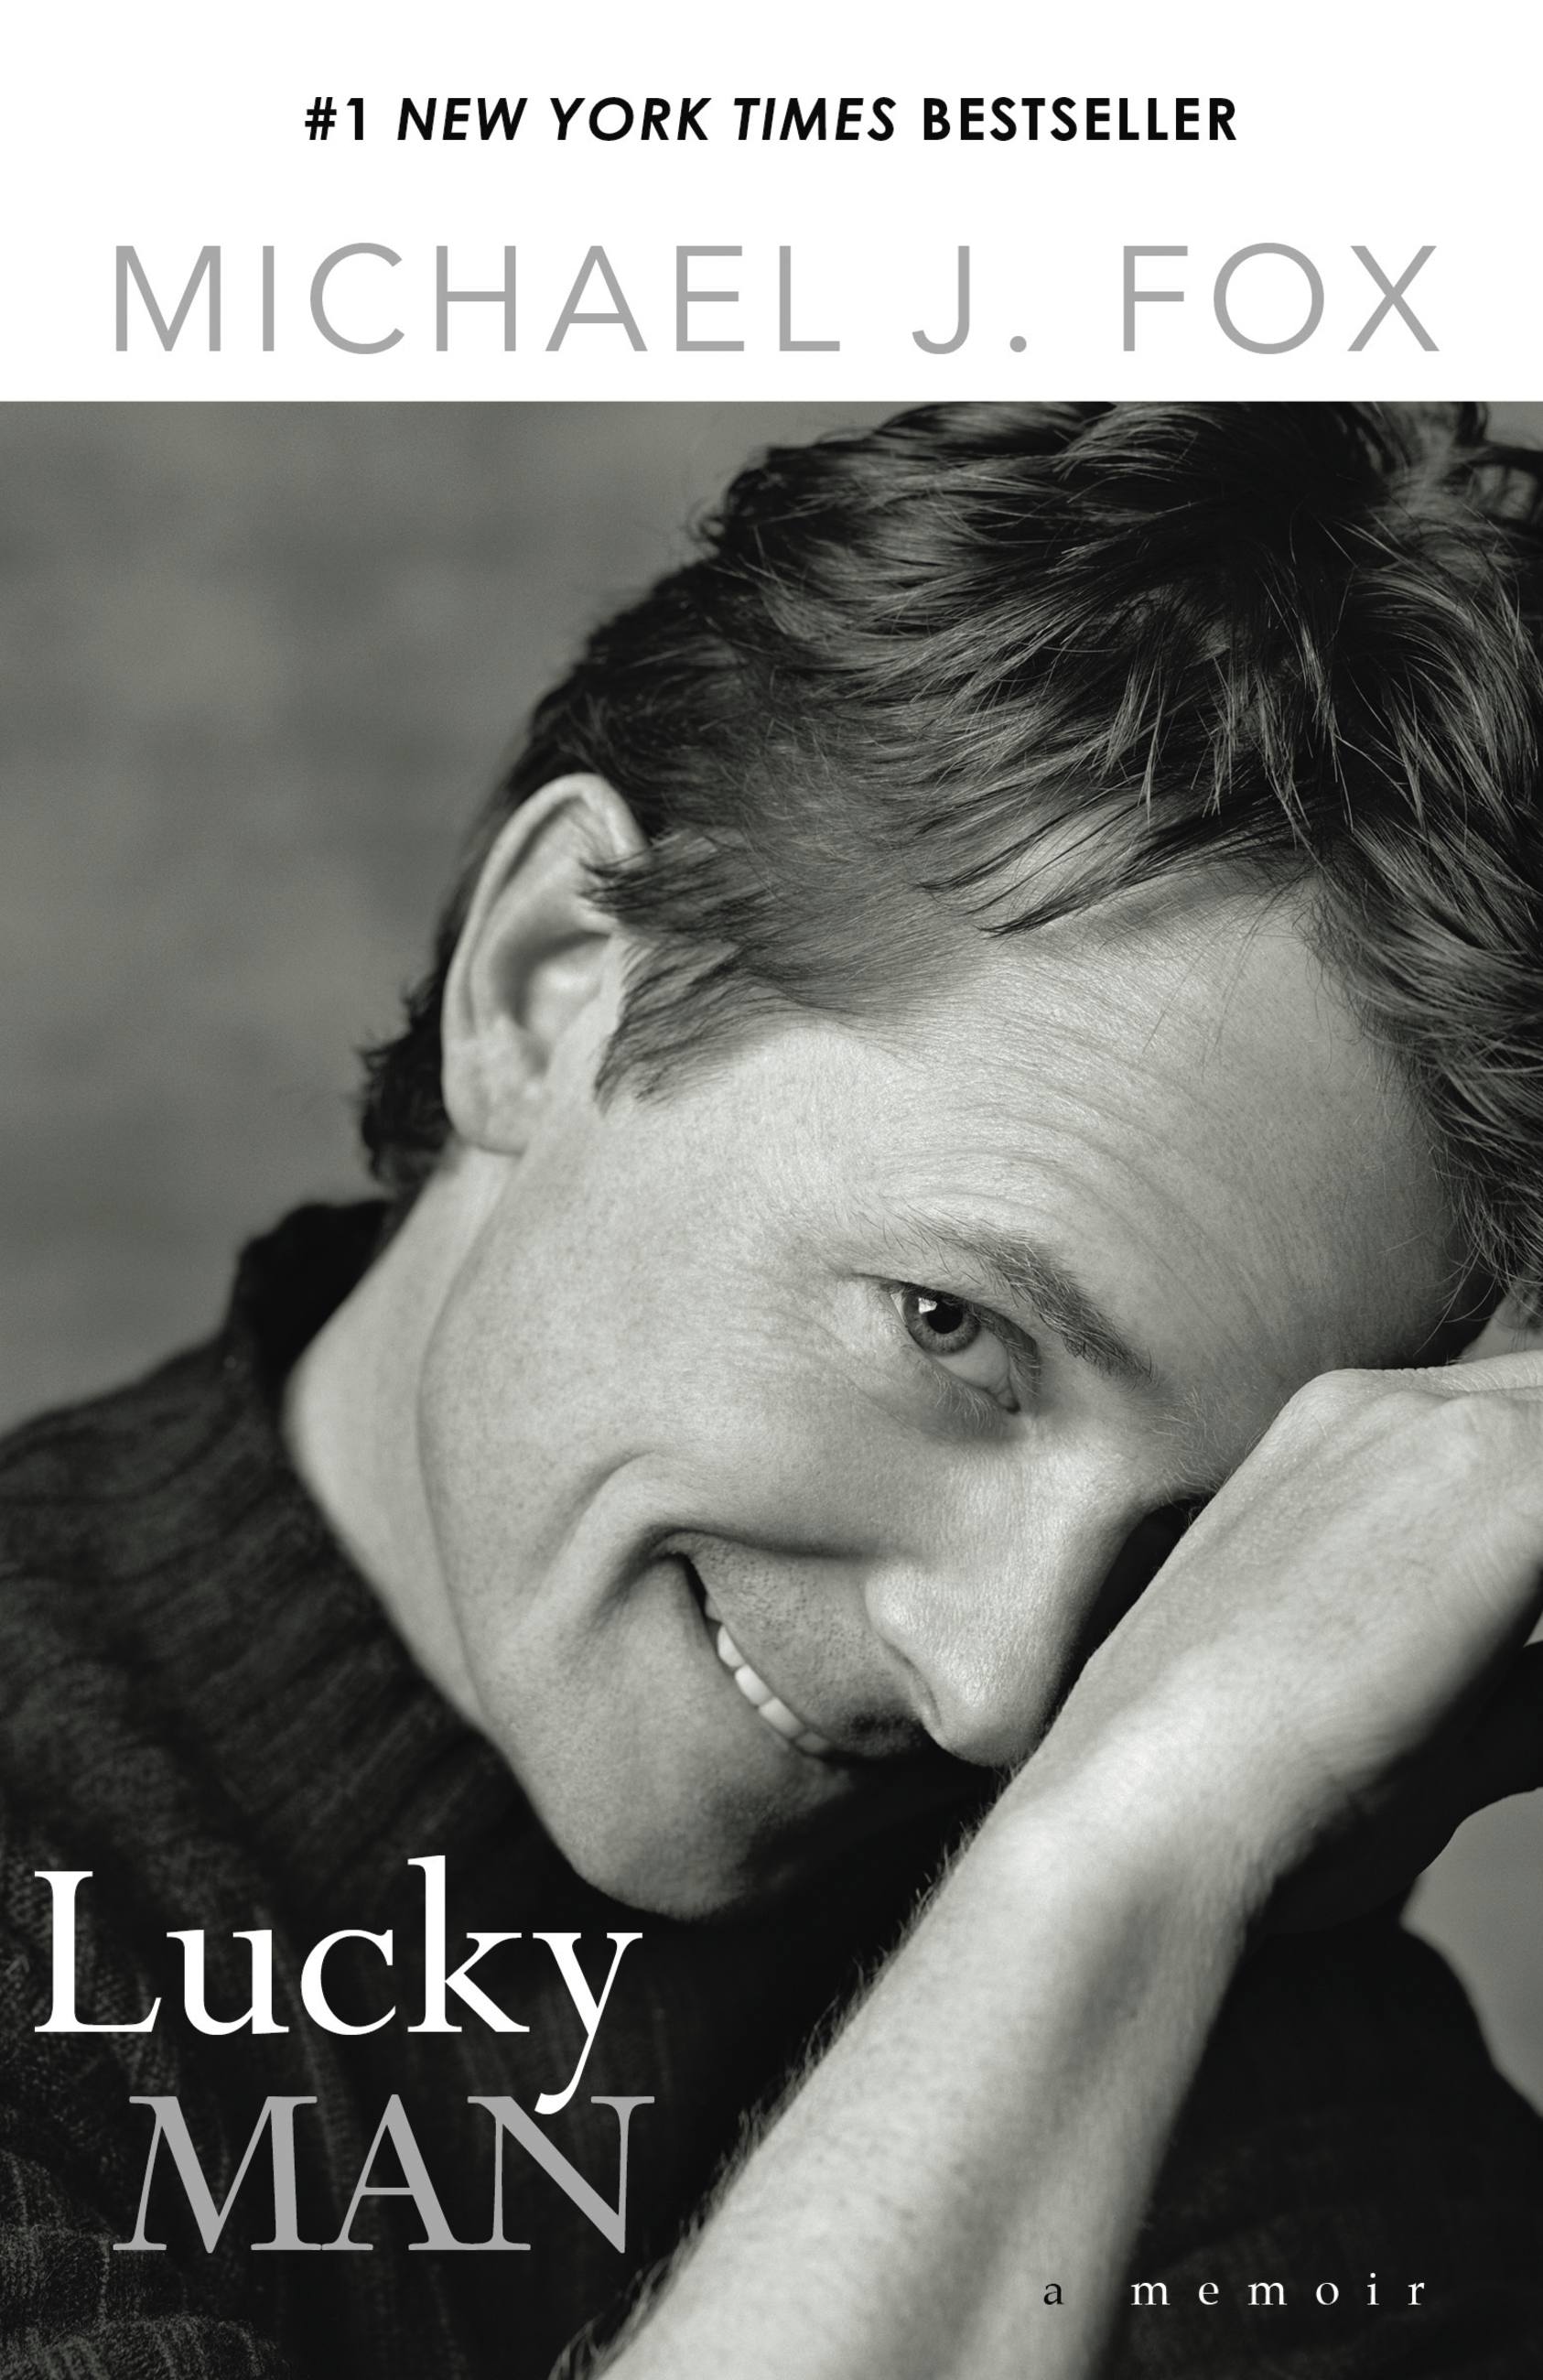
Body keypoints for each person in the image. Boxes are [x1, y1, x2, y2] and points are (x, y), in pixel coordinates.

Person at [3, 400, 1542, 2380]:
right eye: (951, 1331)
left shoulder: (1232, 1941)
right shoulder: (1139, 1856)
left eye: (1212, 1546)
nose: (999, 1691)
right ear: (552, 984)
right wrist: (1116, 1861)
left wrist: (1168, 1827)